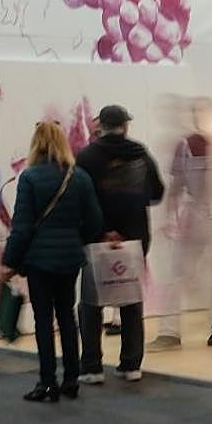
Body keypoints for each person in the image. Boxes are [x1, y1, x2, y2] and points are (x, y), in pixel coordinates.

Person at [1, 121, 102, 402]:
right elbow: (95, 222)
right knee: (67, 317)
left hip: (39, 261)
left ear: (36, 144)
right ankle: (71, 379)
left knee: (43, 321)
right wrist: (74, 239)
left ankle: (47, 382)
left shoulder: (30, 178)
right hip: (70, 260)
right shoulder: (79, 177)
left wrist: (10, 261)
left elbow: (21, 227)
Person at [76, 105, 164, 385]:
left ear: (100, 126)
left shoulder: (87, 156)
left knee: (91, 304)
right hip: (135, 238)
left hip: (97, 239)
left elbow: (80, 197)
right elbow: (157, 192)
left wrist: (104, 231)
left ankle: (92, 367)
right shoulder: (141, 154)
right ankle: (131, 365)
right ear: (125, 126)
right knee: (131, 300)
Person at [151, 97, 212, 351]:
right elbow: (176, 186)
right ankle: (169, 331)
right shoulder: (184, 145)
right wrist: (169, 217)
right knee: (176, 273)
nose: (198, 117)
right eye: (195, 112)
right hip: (196, 216)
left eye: (202, 111)